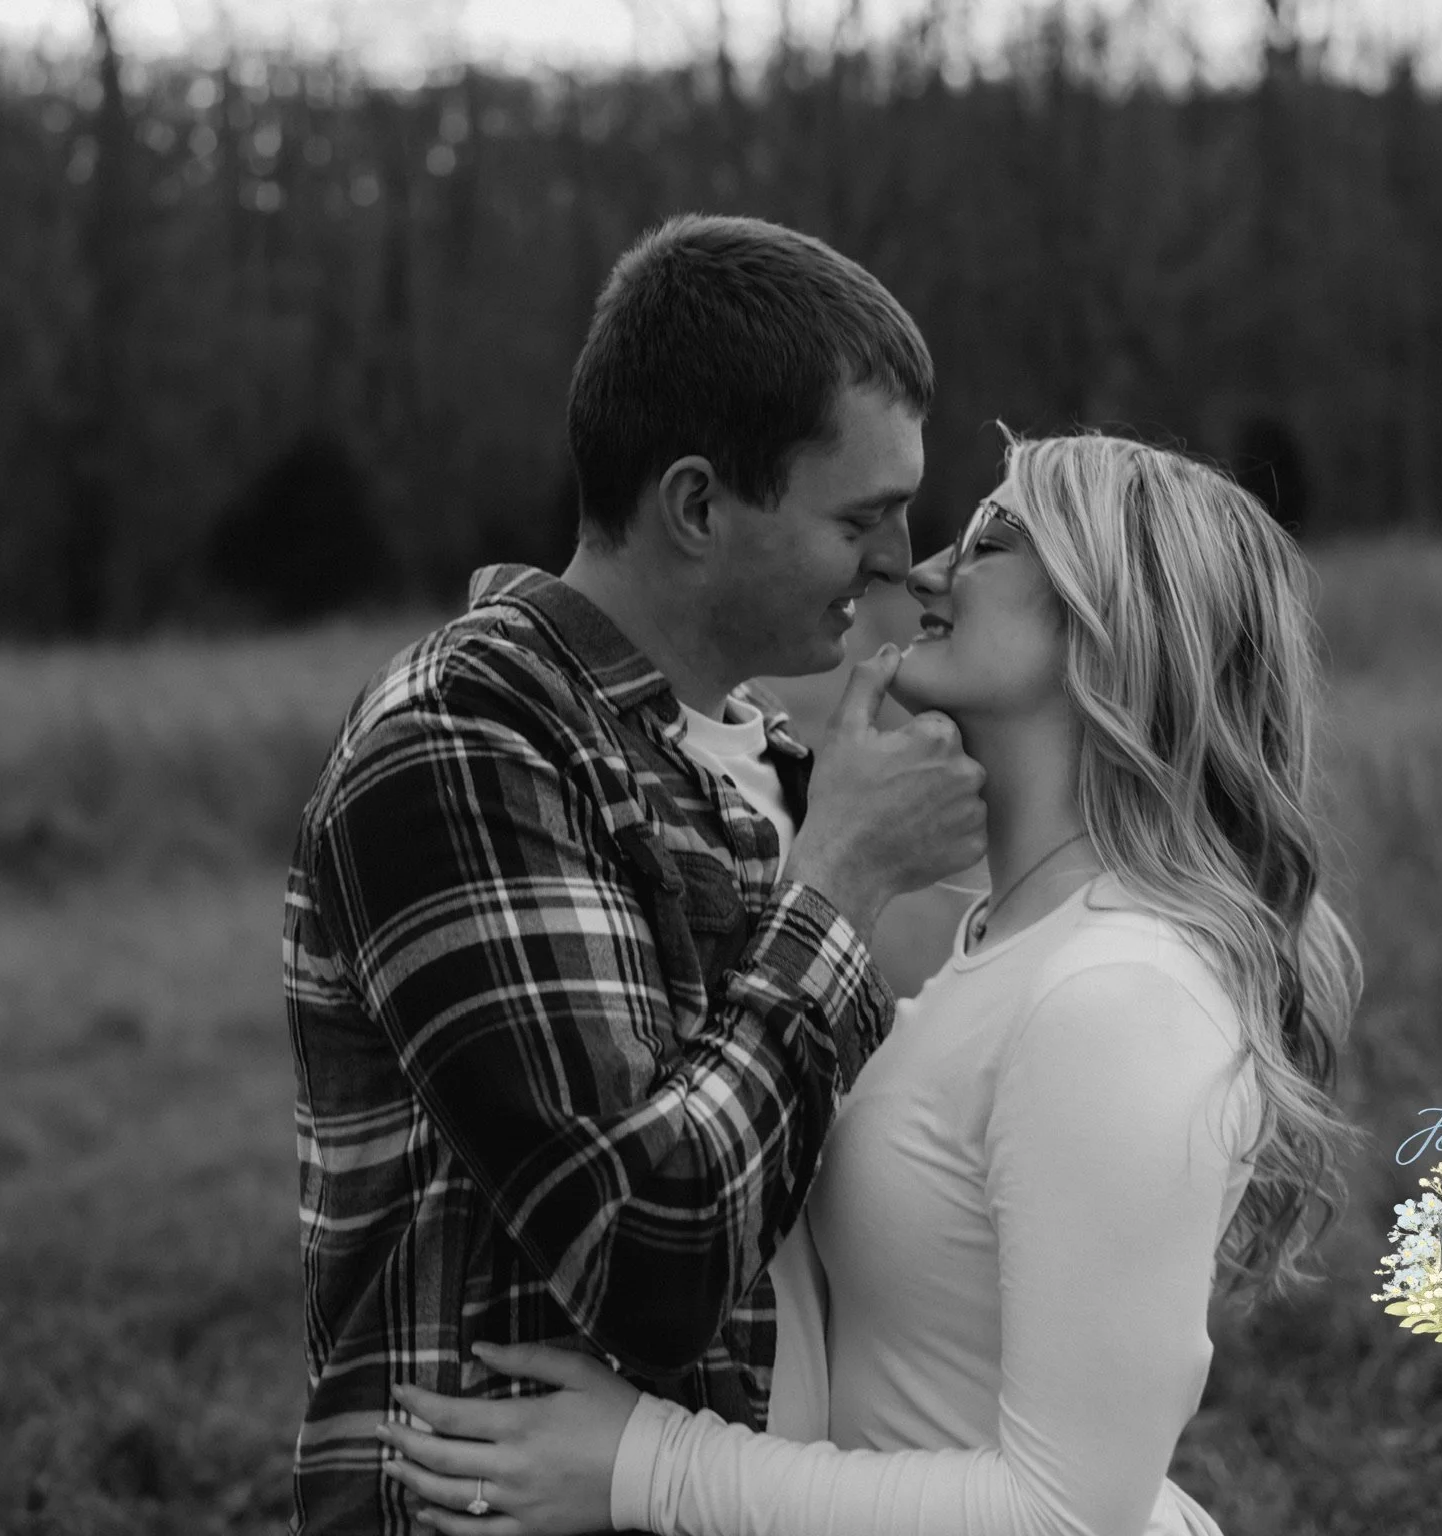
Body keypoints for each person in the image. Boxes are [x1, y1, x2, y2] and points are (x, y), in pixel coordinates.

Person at [377, 432, 1365, 1536]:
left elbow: (1063, 1517)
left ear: (1112, 619)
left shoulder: (1121, 995)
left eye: (994, 538)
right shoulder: (1007, 947)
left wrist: (646, 1466)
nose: (926, 568)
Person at [283, 212, 992, 1535]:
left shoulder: (764, 758)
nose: (897, 564)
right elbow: (649, 1255)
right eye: (864, 517)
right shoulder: (464, 737)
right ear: (699, 505)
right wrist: (841, 884)